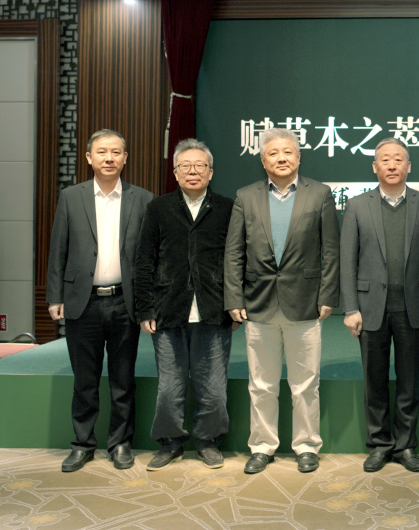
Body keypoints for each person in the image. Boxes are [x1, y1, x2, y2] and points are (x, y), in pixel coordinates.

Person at [224, 128, 341, 475]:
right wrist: (234, 296)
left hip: (305, 302)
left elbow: (330, 250)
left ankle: (307, 446)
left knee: (305, 385)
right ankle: (262, 446)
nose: (281, 158)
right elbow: (234, 252)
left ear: (299, 158)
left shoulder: (319, 194)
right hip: (258, 303)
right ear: (263, 161)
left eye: (288, 152)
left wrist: (328, 294)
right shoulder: (246, 196)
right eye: (273, 153)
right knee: (262, 385)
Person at [46, 129, 154, 472]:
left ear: (125, 158)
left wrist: (148, 304)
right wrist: (55, 296)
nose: (109, 158)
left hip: (124, 302)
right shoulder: (71, 197)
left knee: (123, 380)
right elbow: (58, 250)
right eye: (102, 152)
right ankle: (82, 444)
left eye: (116, 152)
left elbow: (149, 258)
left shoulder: (143, 199)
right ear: (89, 157)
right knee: (85, 380)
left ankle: (120, 443)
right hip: (83, 302)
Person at [341, 137, 419, 473]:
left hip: (413, 305)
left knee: (409, 381)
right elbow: (347, 261)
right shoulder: (357, 205)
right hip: (370, 306)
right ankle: (379, 445)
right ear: (375, 166)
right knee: (374, 381)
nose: (391, 165)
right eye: (385, 159)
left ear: (408, 166)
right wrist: (350, 308)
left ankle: (405, 446)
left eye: (398, 159)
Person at [133, 138, 235, 471]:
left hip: (214, 310)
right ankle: (170, 443)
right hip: (168, 310)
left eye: (200, 165)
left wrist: (235, 305)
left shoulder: (227, 208)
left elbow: (238, 260)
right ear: (175, 172)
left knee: (213, 387)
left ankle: (208, 442)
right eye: (185, 166)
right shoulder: (158, 208)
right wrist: (145, 309)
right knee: (169, 387)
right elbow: (144, 261)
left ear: (211, 172)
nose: (193, 171)